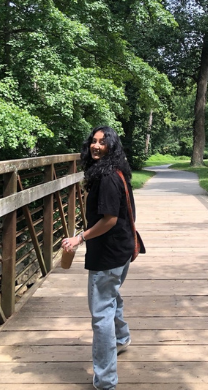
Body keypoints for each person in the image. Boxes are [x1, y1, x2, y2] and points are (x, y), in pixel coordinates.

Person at [62, 126, 137, 390]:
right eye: (93, 141)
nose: (96, 146)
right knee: (111, 295)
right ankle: (122, 339)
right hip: (122, 250)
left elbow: (109, 220)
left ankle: (105, 380)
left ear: (111, 147)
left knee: (101, 313)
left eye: (103, 143)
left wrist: (80, 237)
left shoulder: (106, 179)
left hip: (109, 253)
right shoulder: (115, 171)